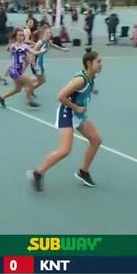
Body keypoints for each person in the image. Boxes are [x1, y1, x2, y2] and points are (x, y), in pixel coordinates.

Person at [28, 49, 103, 191]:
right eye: (98, 62)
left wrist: (92, 90)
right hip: (67, 113)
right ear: (89, 63)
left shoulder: (91, 77)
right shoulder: (80, 80)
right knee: (64, 150)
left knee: (96, 140)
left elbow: (83, 89)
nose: (101, 64)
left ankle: (83, 172)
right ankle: (37, 173)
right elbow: (60, 96)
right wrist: (75, 107)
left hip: (78, 115)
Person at [0, 28, 45, 108]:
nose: (22, 37)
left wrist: (41, 51)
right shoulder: (14, 45)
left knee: (17, 89)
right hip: (15, 70)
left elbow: (34, 52)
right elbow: (9, 49)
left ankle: (2, 97)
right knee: (29, 83)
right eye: (20, 35)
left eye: (23, 35)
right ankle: (29, 101)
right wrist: (11, 45)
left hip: (18, 71)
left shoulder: (24, 46)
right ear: (16, 37)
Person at [31, 25, 69, 95]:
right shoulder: (40, 43)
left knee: (40, 80)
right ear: (43, 34)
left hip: (40, 63)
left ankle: (28, 85)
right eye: (47, 33)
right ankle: (28, 87)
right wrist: (34, 66)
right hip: (36, 64)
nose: (49, 34)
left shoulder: (48, 41)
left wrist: (63, 49)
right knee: (42, 80)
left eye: (50, 33)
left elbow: (53, 46)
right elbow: (33, 54)